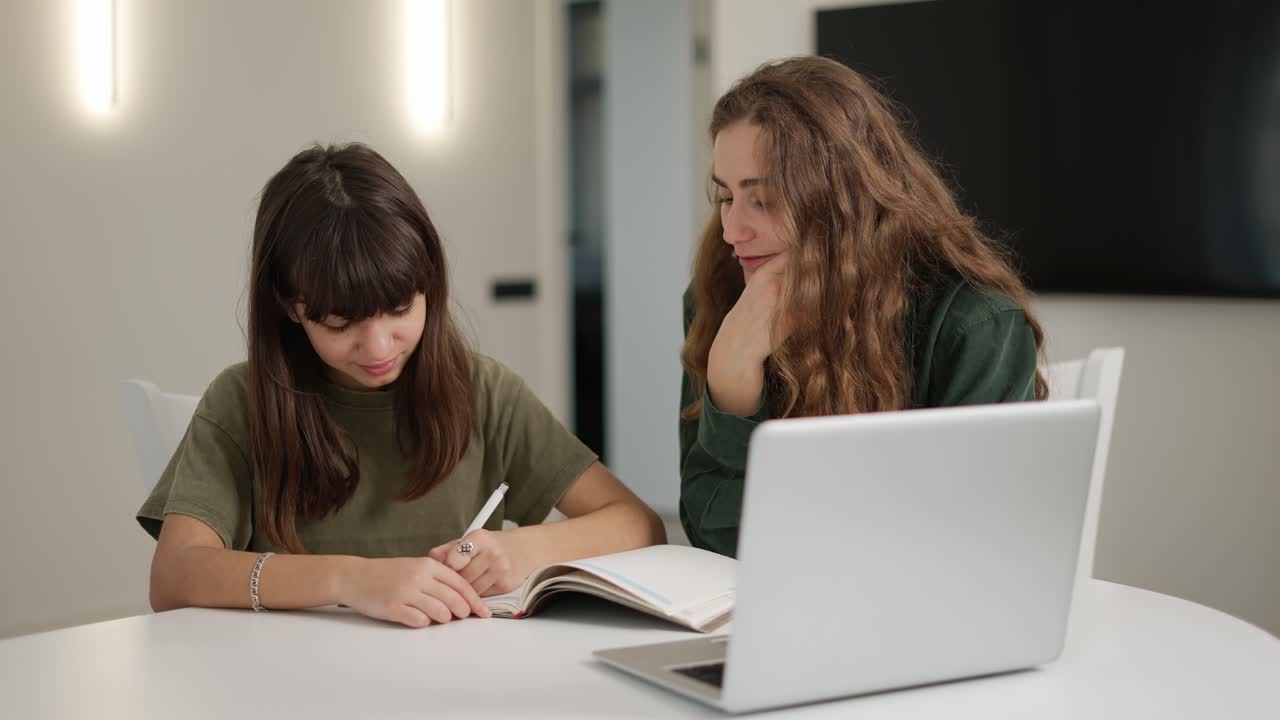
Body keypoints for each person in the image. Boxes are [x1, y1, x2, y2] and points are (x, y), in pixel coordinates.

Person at [139, 143, 664, 628]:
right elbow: (174, 577)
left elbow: (638, 525)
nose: (379, 347)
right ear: (289, 305)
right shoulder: (242, 403)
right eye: (341, 325)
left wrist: (521, 550)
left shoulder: (483, 392)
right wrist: (348, 579)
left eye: (399, 309)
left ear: (428, 282)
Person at [680, 56, 1047, 557]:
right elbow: (713, 535)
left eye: (762, 199)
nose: (731, 231)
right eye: (726, 198)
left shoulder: (972, 323)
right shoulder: (724, 292)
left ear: (842, 202)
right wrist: (732, 384)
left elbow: (972, 543)